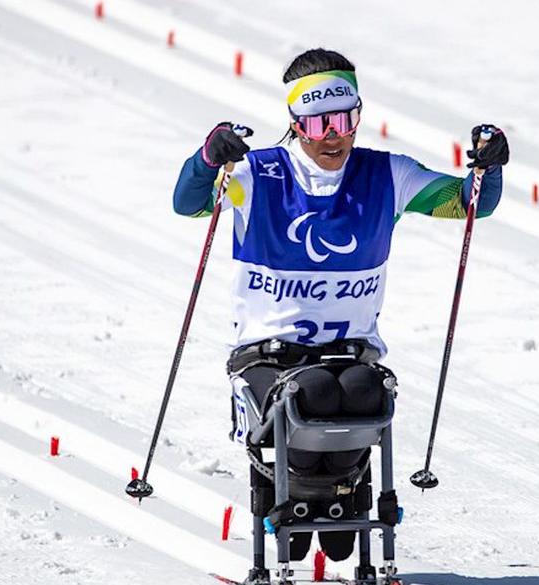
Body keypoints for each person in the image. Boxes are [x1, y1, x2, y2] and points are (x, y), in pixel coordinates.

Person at [171, 48, 508, 572]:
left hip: (350, 357)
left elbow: (470, 203)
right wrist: (210, 158)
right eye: (319, 122)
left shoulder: (386, 176)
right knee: (313, 395)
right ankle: (302, 500)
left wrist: (489, 168)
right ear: (295, 123)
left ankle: (337, 498)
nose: (334, 135)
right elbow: (189, 203)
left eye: (345, 119)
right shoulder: (259, 176)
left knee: (360, 392)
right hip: (269, 358)